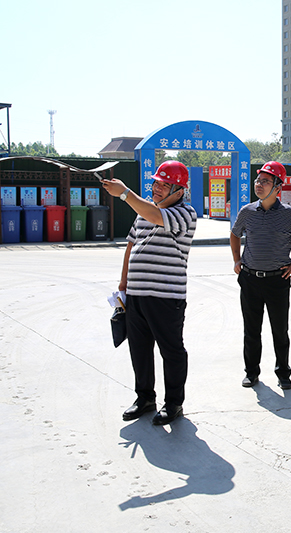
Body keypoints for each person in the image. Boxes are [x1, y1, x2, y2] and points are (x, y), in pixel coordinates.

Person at [101, 161, 197, 426]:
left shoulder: (185, 213)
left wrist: (124, 193)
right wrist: (124, 283)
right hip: (137, 294)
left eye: (164, 185)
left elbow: (157, 217)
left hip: (166, 297)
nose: (156, 188)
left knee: (171, 350)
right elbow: (131, 245)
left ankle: (174, 403)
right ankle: (145, 398)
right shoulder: (143, 211)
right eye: (155, 183)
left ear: (179, 191)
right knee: (139, 349)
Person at [230, 161, 291, 390]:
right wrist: (236, 259)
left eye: (265, 181)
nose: (259, 184)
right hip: (250, 279)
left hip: (278, 280)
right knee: (251, 330)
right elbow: (234, 234)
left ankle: (283, 373)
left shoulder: (289, 214)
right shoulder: (247, 211)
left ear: (278, 187)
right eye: (258, 180)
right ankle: (251, 373)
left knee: (280, 330)